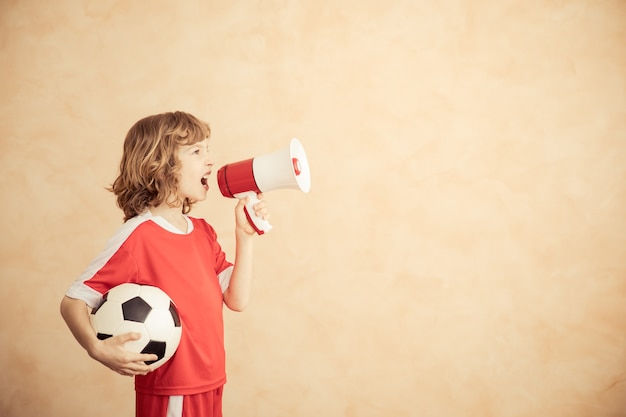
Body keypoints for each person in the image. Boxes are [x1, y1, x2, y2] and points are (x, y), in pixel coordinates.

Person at [60, 111, 268, 417]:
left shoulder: (203, 231)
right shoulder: (137, 236)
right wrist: (97, 348)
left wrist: (245, 236)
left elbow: (236, 300)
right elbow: (73, 301)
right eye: (197, 152)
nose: (209, 161)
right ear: (159, 164)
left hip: (211, 381)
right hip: (174, 390)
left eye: (208, 150)